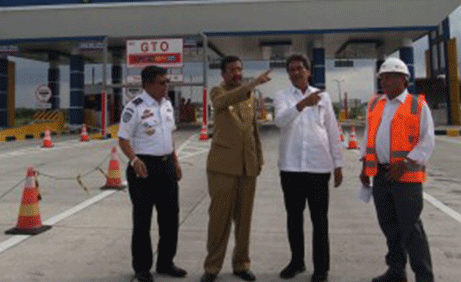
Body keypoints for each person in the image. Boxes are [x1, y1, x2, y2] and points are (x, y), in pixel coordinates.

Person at [359, 57, 435, 282]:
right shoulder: (375, 104)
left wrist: (406, 163)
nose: (385, 81)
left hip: (406, 177)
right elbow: (368, 136)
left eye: (390, 77)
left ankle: (424, 276)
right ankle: (396, 271)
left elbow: (427, 141)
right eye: (382, 77)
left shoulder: (417, 105)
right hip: (381, 175)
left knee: (411, 229)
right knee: (389, 227)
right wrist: (365, 164)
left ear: (404, 80)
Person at [273, 54, 344, 282]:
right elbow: (280, 121)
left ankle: (321, 268)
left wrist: (338, 164)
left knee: (319, 219)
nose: (295, 73)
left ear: (308, 72)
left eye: (299, 69)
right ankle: (297, 262)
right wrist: (302, 104)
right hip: (291, 168)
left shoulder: (323, 97)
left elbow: (332, 131)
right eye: (291, 70)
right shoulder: (282, 96)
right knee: (294, 218)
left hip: (318, 167)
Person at [200, 56, 272, 282]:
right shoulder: (217, 92)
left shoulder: (248, 98)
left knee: (244, 220)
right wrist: (251, 85)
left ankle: (241, 264)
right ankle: (212, 267)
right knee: (219, 219)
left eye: (239, 69)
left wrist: (258, 158)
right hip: (222, 167)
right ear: (223, 74)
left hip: (247, 167)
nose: (237, 73)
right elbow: (221, 103)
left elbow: (253, 131)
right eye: (232, 70)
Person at [118, 65, 186, 282]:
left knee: (170, 217)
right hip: (143, 168)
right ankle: (142, 268)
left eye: (167, 82)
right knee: (142, 220)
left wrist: (175, 161)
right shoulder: (134, 107)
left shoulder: (166, 105)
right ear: (147, 84)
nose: (166, 86)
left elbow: (169, 136)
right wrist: (134, 159)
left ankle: (166, 262)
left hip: (166, 166)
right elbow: (123, 139)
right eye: (162, 82)